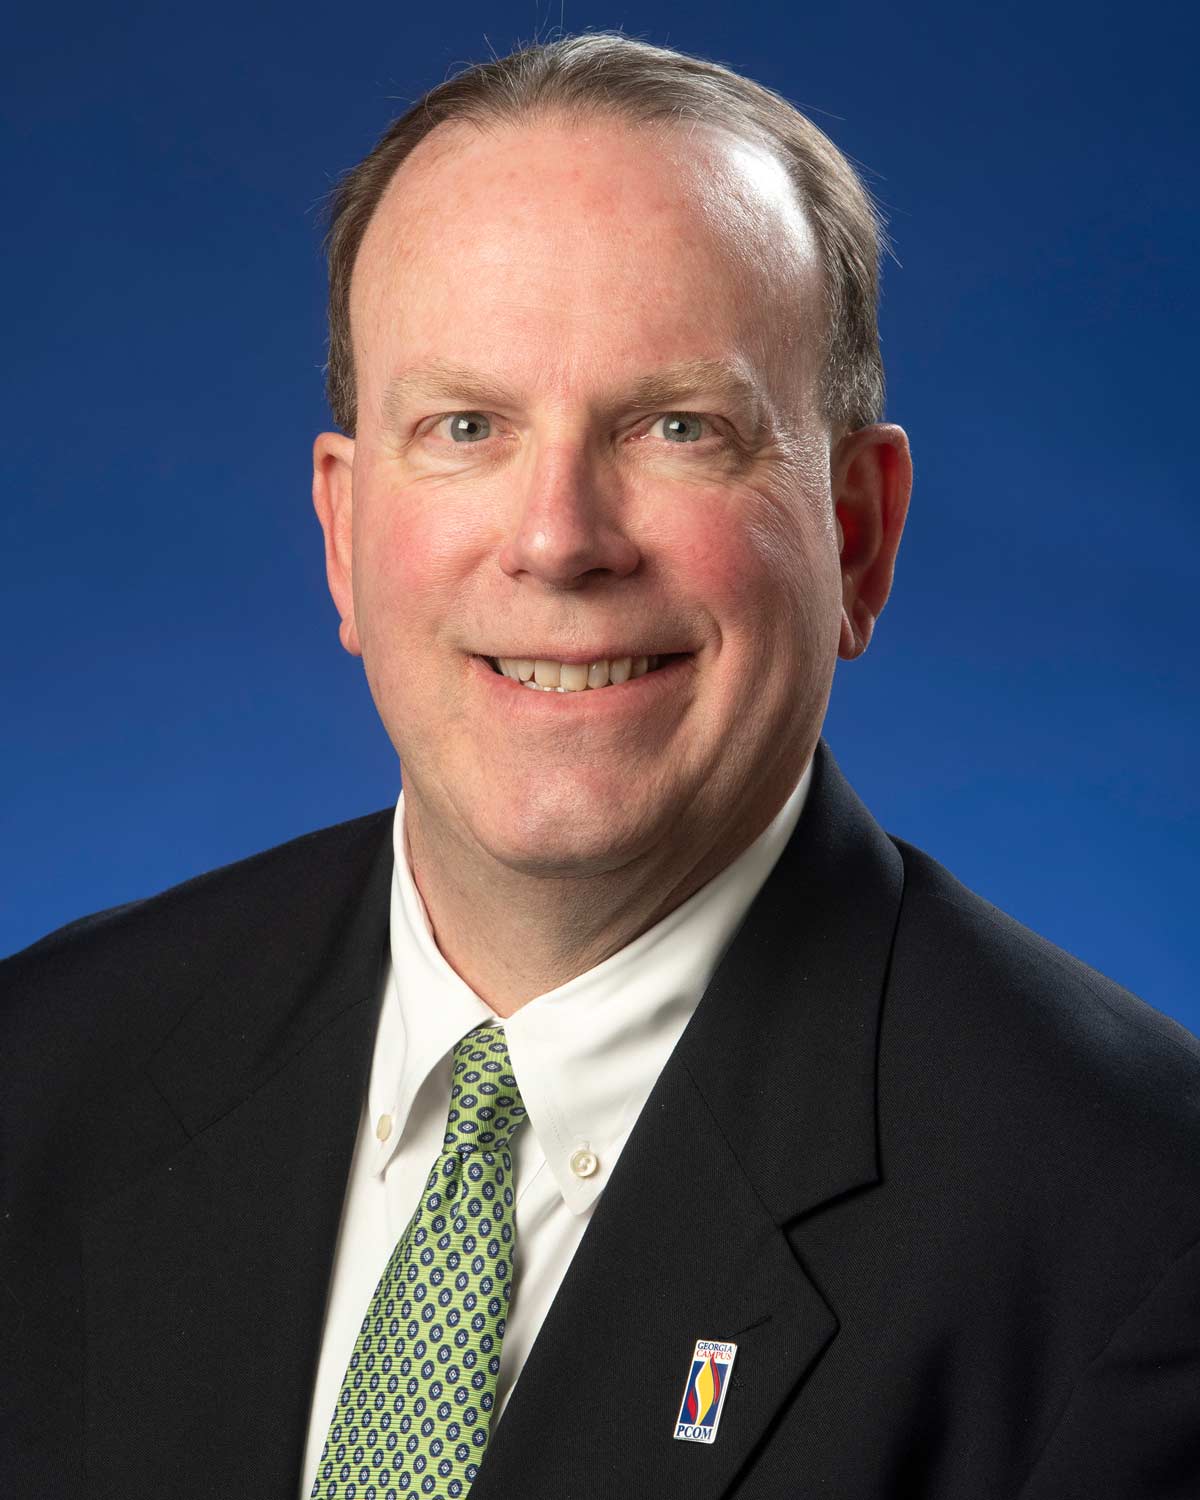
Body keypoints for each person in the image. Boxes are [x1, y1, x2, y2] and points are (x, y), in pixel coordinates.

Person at [3, 30, 1198, 1500]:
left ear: (856, 535)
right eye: (466, 428)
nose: (560, 539)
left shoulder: (1140, 1232)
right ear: (342, 533)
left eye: (678, 428)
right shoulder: (42, 1075)